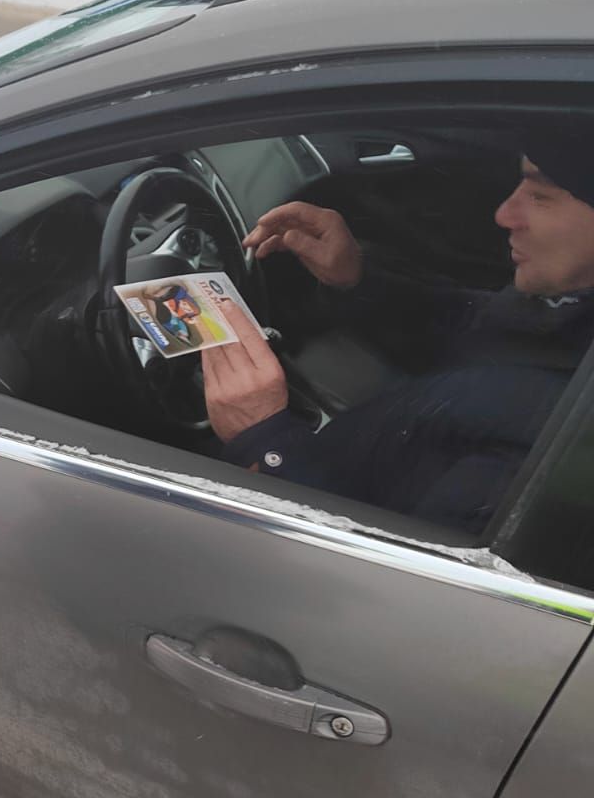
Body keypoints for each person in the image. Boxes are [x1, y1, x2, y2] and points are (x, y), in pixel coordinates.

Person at [202, 145, 594, 534]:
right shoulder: (570, 314)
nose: (503, 214)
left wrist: (265, 443)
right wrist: (356, 279)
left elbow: (383, 576)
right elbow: (478, 322)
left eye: (541, 197)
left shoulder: (553, 452)